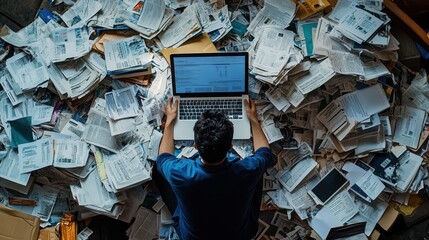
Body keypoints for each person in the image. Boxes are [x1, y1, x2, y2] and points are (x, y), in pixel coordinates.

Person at [154, 97, 275, 240]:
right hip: (241, 235)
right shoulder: (246, 171)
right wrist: (254, 120)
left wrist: (170, 121)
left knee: (158, 170)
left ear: (195, 146)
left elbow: (163, 158)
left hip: (192, 237)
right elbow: (266, 154)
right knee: (258, 169)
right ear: (231, 147)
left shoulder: (180, 172)